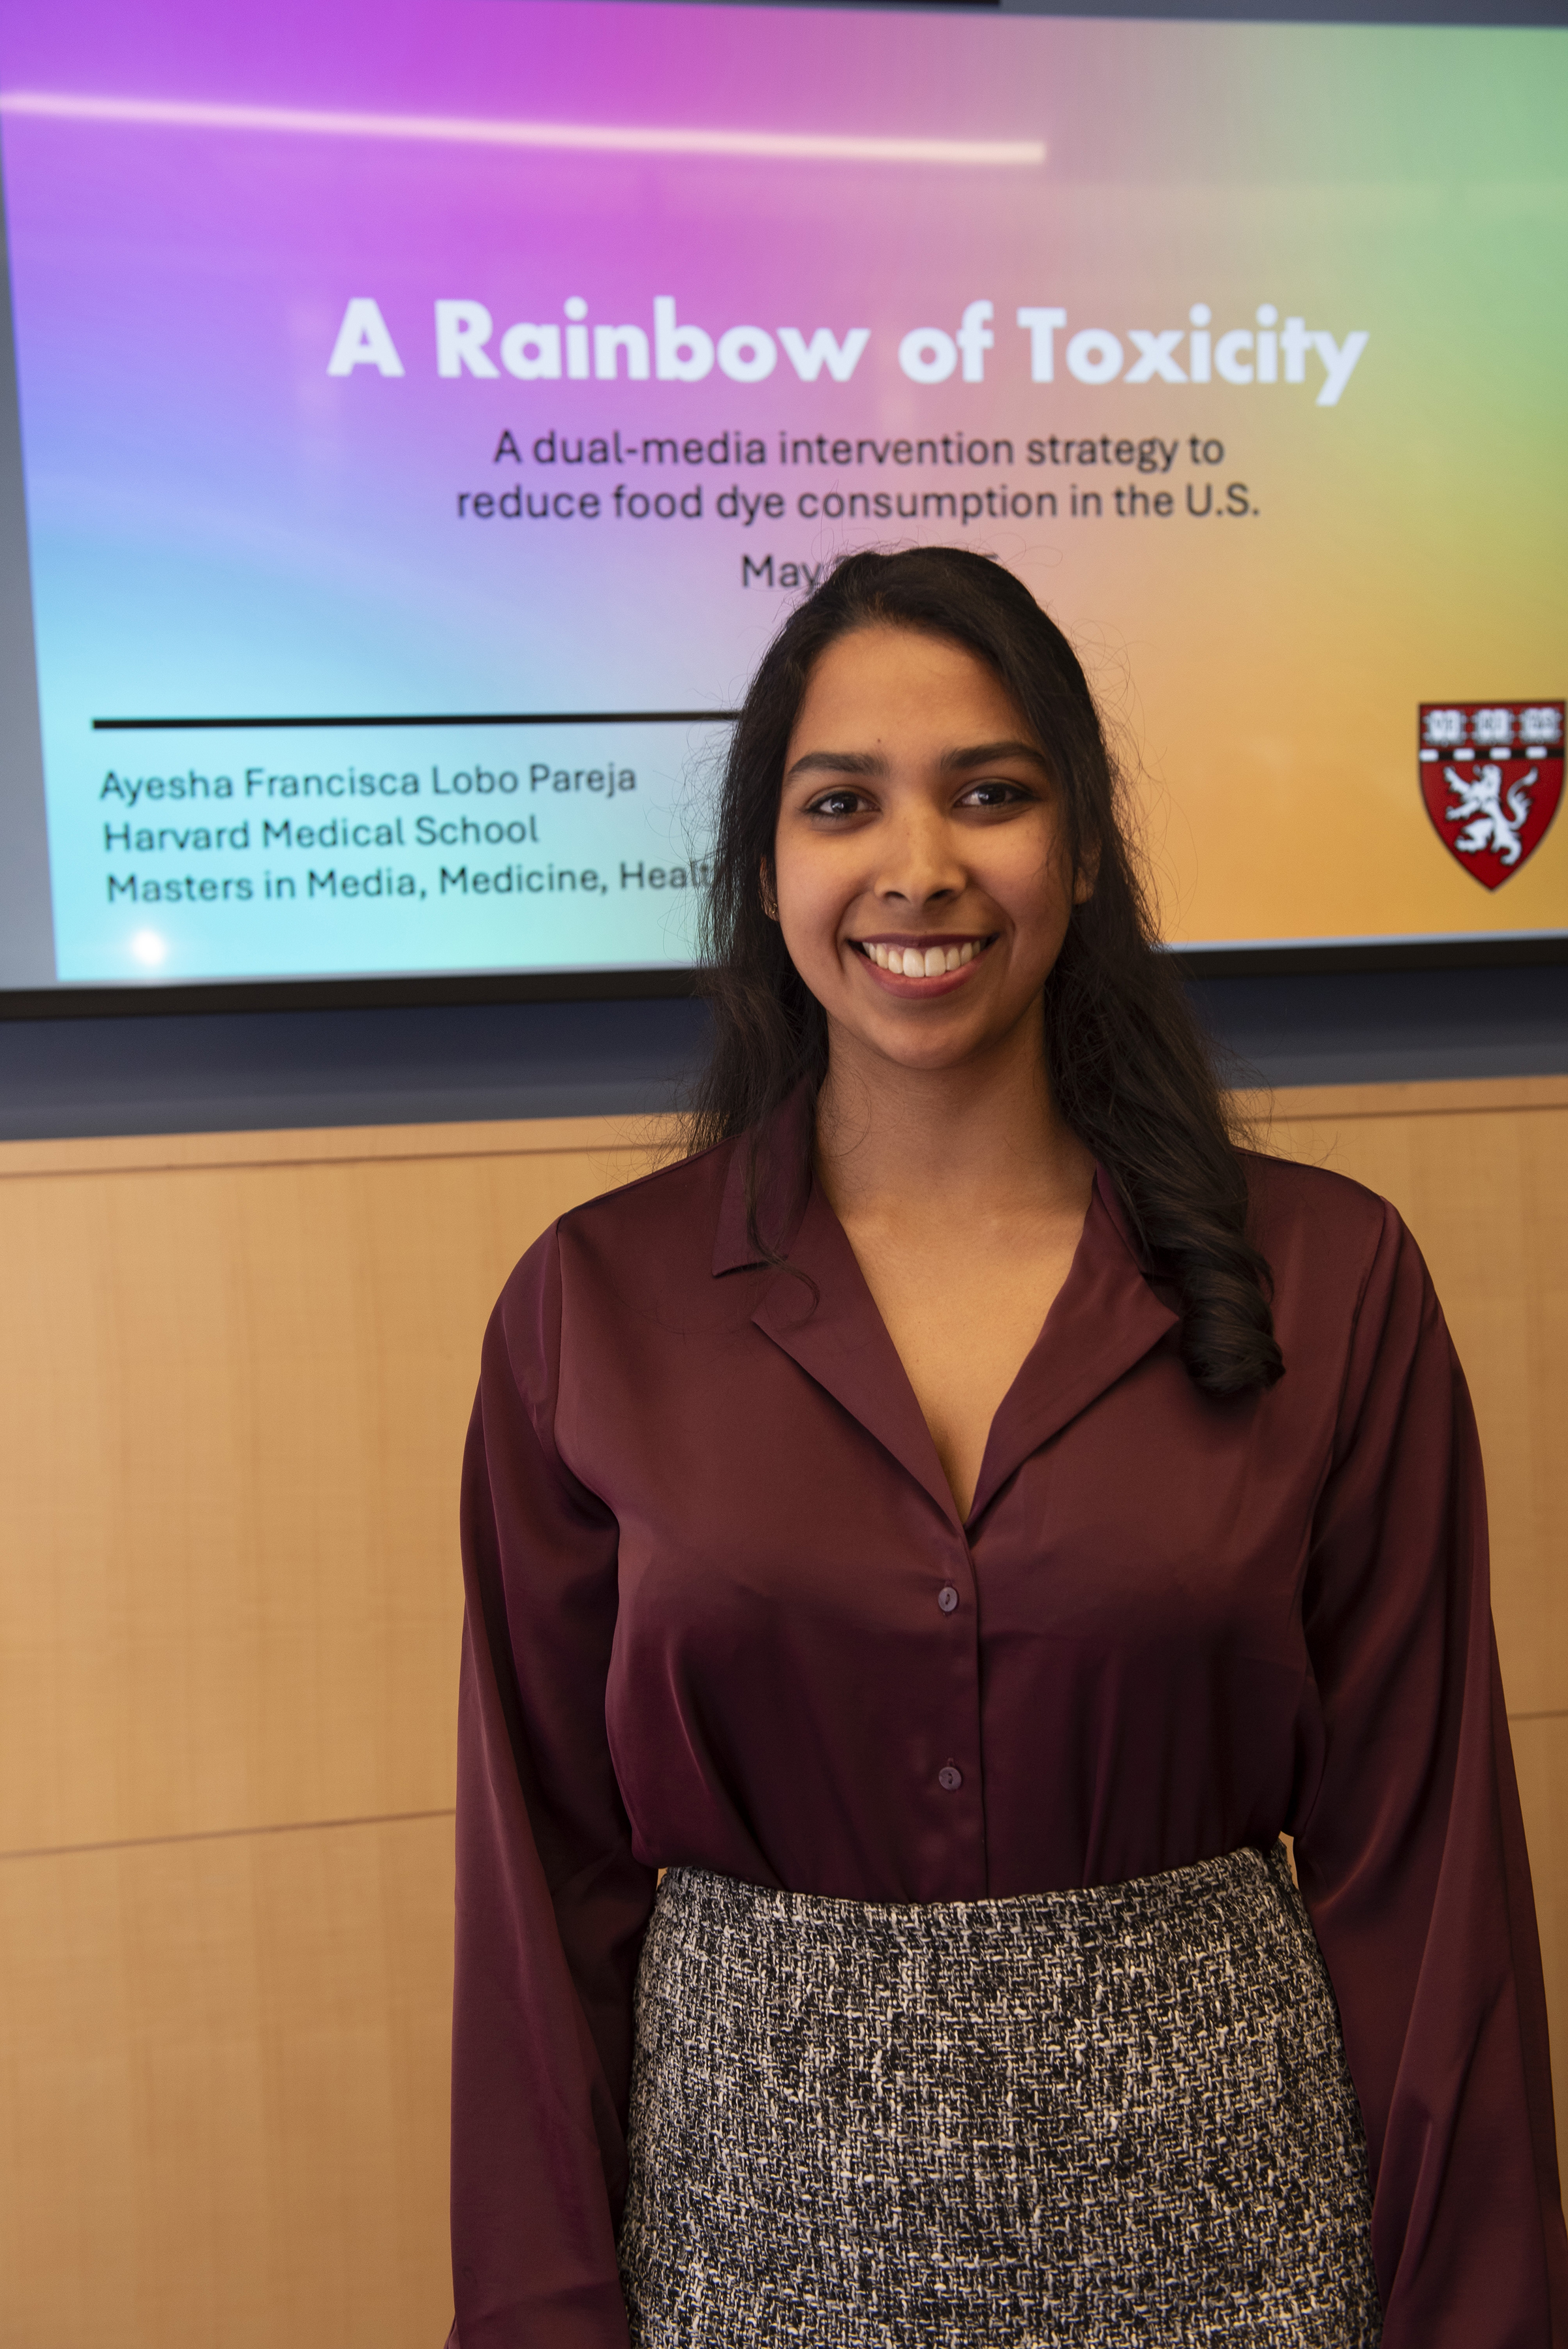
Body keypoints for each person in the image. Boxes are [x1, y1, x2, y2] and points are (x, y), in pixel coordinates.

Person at [446, 547, 1565, 2349]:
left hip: (1235, 2241)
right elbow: (537, 1898)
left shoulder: (1332, 1281)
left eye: (991, 792)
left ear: (1087, 848)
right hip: (754, 2253)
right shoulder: (594, 1307)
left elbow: (1432, 1892)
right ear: (765, 867)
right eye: (841, 802)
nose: (919, 865)